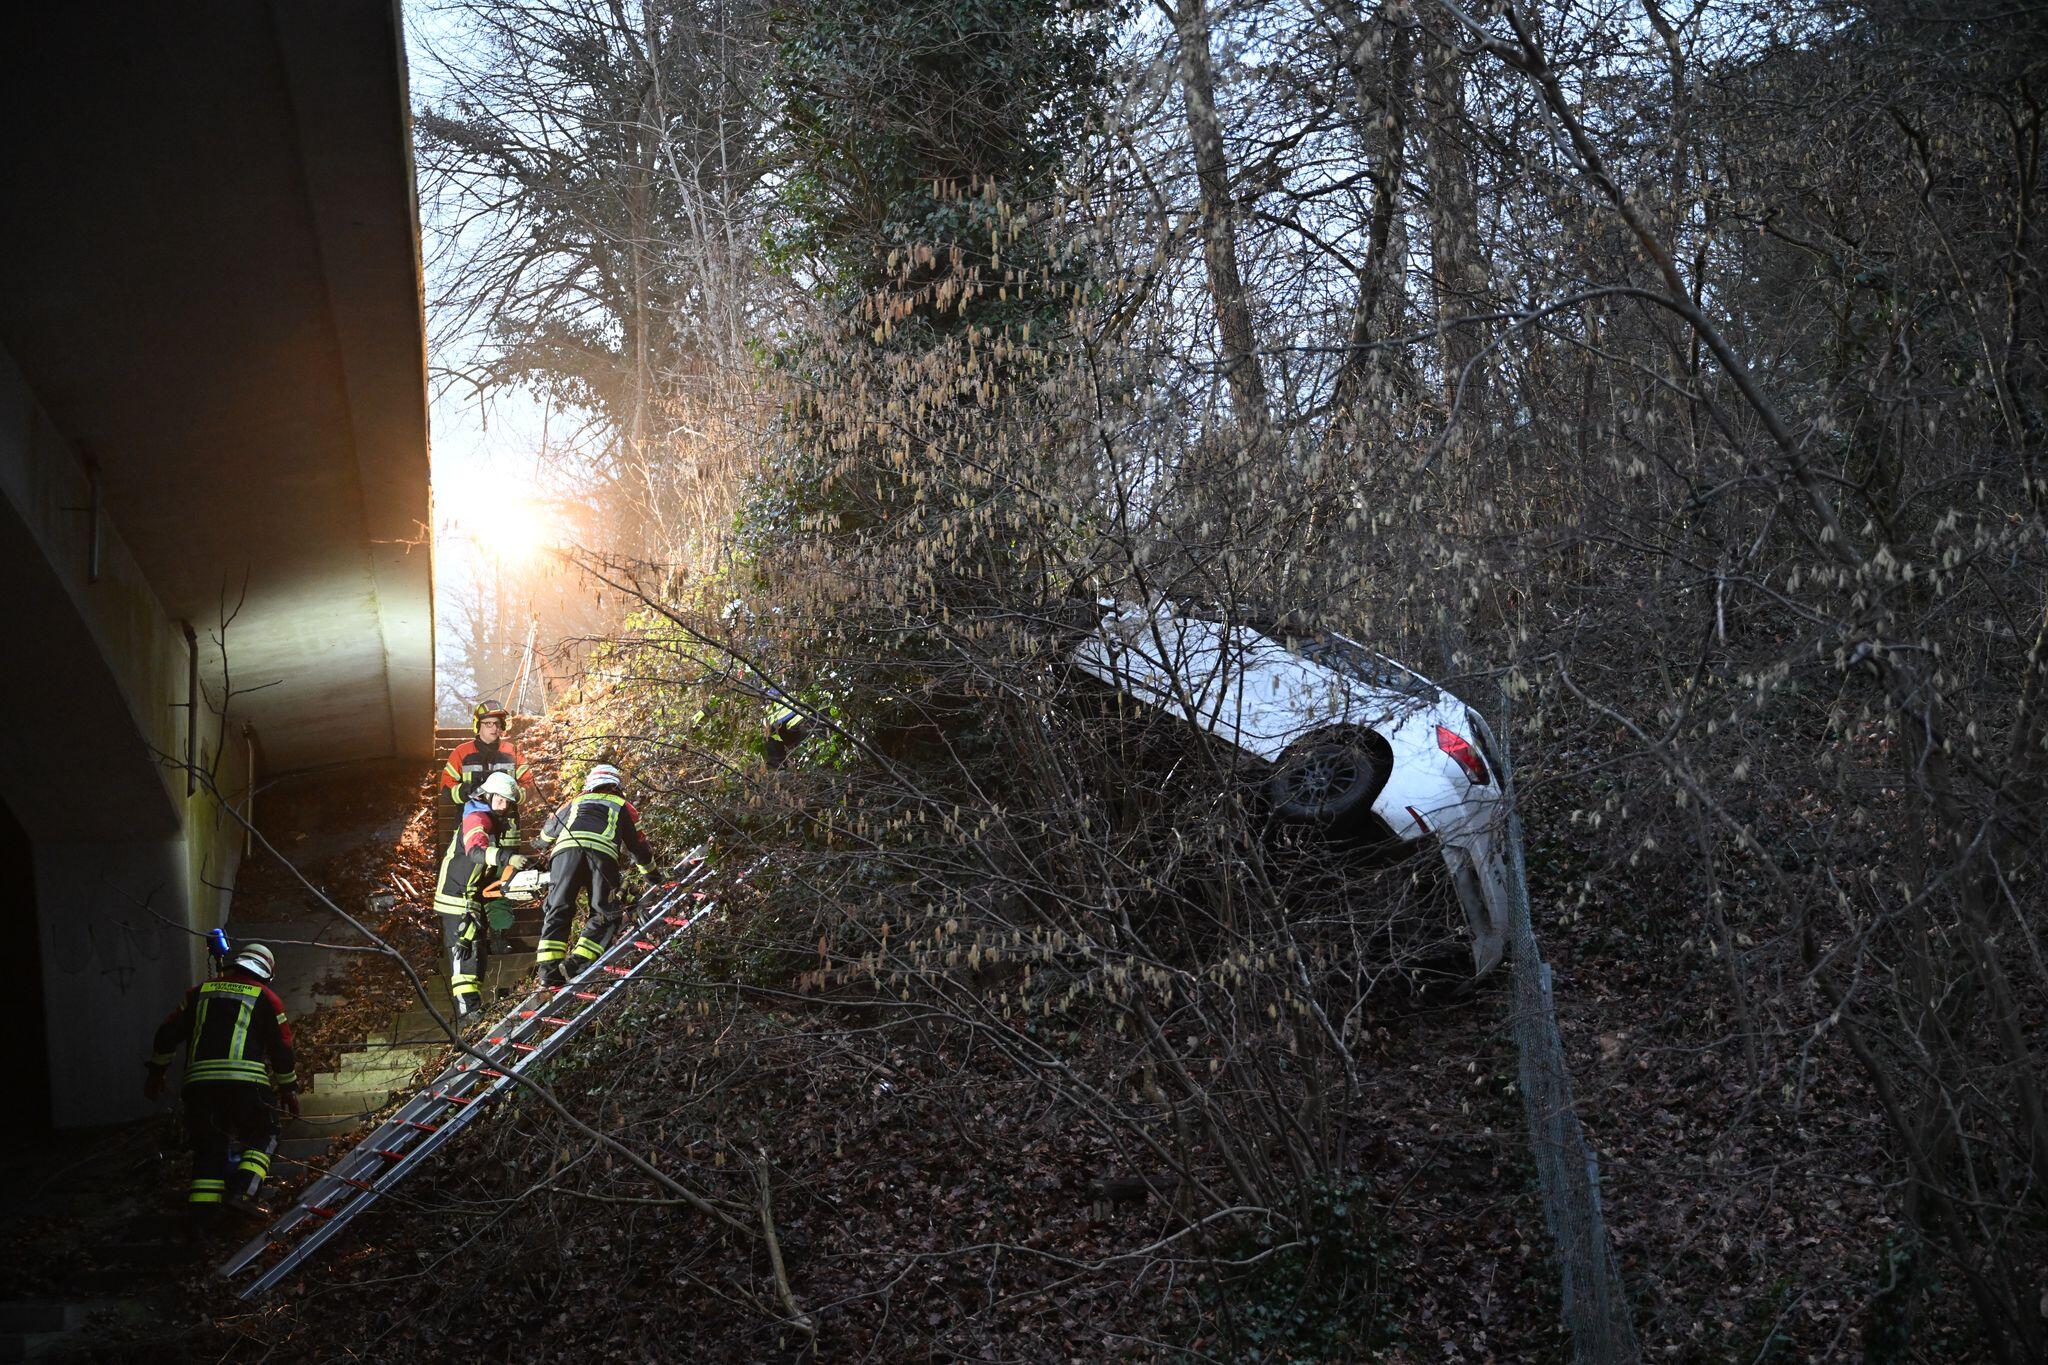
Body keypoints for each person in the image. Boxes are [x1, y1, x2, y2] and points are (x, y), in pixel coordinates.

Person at [144, 942, 300, 1230]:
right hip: (245, 1084)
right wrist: (288, 1088)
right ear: (266, 973)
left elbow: (166, 1034)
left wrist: (156, 1073)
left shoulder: (198, 993)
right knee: (265, 1133)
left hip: (199, 1088)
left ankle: (203, 1216)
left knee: (209, 1145)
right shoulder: (266, 998)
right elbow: (281, 1048)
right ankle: (243, 1193)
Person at [533, 763, 654, 988]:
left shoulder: (574, 801)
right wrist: (652, 876)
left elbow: (546, 834)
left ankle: (548, 973)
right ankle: (575, 964)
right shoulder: (623, 806)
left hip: (565, 855)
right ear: (616, 786)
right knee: (605, 911)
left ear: (590, 784)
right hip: (601, 856)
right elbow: (638, 847)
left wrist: (535, 849)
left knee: (558, 908)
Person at [433, 770, 528, 1017]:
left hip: (470, 896)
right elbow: (476, 852)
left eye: (508, 802)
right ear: (487, 795)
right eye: (500, 799)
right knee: (464, 953)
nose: (503, 806)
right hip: (456, 897)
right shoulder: (476, 817)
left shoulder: (489, 820)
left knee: (477, 953)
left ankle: (473, 1008)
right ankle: (469, 1013)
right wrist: (507, 857)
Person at [440, 700, 537, 807]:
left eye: (497, 723)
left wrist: (513, 793)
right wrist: (467, 790)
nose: (495, 728)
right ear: (477, 725)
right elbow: (446, 786)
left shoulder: (513, 752)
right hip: (471, 814)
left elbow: (529, 785)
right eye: (489, 723)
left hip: (506, 815)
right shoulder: (461, 753)